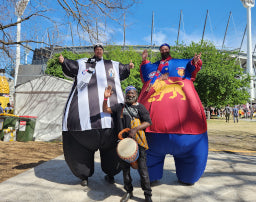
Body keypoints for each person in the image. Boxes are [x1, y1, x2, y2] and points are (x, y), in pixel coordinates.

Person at [59, 43, 134, 186]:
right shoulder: (83, 63)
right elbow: (70, 67)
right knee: (78, 151)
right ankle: (83, 175)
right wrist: (64, 62)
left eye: (101, 49)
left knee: (115, 151)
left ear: (103, 51)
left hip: (113, 124)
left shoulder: (113, 65)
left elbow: (123, 69)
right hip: (81, 123)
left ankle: (112, 172)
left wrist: (129, 67)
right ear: (94, 51)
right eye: (97, 49)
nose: (99, 51)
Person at [138, 43, 208, 186]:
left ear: (169, 50)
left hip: (189, 132)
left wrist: (195, 62)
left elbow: (192, 67)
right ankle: (152, 174)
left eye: (166, 48)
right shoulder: (152, 68)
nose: (164, 50)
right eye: (161, 49)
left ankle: (188, 174)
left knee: (190, 173)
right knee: (148, 173)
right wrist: (144, 61)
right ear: (160, 51)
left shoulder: (181, 64)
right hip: (150, 133)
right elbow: (145, 72)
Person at [103, 85, 152, 202]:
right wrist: (105, 99)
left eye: (132, 92)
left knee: (143, 171)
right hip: (123, 143)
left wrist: (135, 129)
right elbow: (106, 110)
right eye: (128, 93)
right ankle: (129, 192)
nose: (130, 94)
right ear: (125, 95)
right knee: (125, 171)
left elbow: (148, 122)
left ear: (136, 94)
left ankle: (148, 196)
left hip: (138, 143)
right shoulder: (120, 106)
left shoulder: (140, 108)